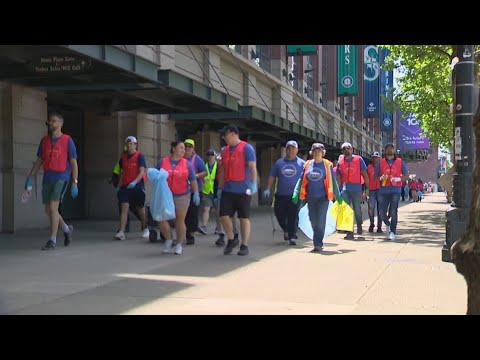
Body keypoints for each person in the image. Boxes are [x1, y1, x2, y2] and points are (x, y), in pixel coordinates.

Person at [24, 112, 78, 250]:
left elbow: (73, 163)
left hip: (62, 177)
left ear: (60, 123)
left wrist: (74, 182)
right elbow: (39, 161)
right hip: (48, 177)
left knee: (53, 208)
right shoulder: (44, 141)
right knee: (48, 210)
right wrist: (30, 177)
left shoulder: (67, 140)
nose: (51, 123)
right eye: (50, 121)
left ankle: (52, 240)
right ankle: (66, 229)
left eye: (54, 121)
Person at [292, 143, 341, 252]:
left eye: (319, 151)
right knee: (313, 220)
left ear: (323, 153)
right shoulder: (307, 165)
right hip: (310, 198)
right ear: (312, 153)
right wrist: (296, 192)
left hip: (323, 198)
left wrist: (338, 196)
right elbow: (301, 180)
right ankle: (317, 240)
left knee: (320, 220)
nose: (317, 153)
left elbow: (333, 181)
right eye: (314, 151)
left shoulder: (327, 165)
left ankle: (318, 243)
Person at [217, 125, 257, 256]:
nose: (224, 138)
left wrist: (253, 183)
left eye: (225, 135)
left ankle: (244, 245)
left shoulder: (247, 148)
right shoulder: (225, 151)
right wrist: (220, 187)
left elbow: (252, 167)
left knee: (243, 217)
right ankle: (231, 238)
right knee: (223, 215)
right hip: (228, 189)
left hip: (243, 189)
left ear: (233, 134)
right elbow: (222, 169)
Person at [156, 141, 200, 255]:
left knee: (179, 220)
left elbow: (193, 179)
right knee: (161, 218)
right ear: (173, 149)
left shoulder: (187, 164)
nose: (183, 150)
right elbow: (156, 176)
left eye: (184, 149)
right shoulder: (163, 162)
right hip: (165, 195)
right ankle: (169, 239)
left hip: (182, 195)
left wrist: (196, 193)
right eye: (181, 148)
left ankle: (179, 244)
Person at [263, 140, 305, 245]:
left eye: (293, 148)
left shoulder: (302, 164)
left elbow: (306, 178)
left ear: (297, 150)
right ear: (286, 150)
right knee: (279, 214)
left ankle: (292, 236)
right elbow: (272, 175)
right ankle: (286, 230)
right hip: (281, 194)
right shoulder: (279, 163)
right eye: (289, 148)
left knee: (293, 215)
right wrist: (268, 188)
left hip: (295, 195)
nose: (290, 150)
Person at [114, 136, 149, 241]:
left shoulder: (140, 156)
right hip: (125, 187)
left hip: (137, 186)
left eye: (131, 144)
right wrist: (118, 186)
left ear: (135, 145)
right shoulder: (123, 158)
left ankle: (145, 227)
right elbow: (120, 172)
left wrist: (135, 182)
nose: (129, 146)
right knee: (124, 207)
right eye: (127, 144)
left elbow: (142, 171)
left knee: (140, 209)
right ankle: (121, 231)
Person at [375, 143, 409, 241]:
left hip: (395, 190)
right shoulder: (380, 163)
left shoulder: (400, 162)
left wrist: (398, 179)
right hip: (383, 190)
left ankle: (392, 231)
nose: (390, 151)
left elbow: (406, 176)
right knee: (381, 212)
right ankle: (387, 223)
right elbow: (375, 177)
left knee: (394, 211)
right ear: (385, 151)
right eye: (388, 149)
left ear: (394, 151)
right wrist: (380, 178)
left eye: (391, 149)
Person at [336, 142, 369, 239]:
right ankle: (350, 231)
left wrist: (366, 189)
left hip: (356, 189)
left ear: (352, 150)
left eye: (348, 148)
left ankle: (359, 224)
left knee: (357, 210)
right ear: (342, 151)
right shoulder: (340, 162)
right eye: (344, 149)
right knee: (346, 210)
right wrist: (338, 191)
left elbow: (365, 174)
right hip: (345, 190)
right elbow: (338, 176)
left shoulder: (359, 159)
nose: (346, 150)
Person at [183, 139, 207, 245]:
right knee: (185, 214)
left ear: (193, 149)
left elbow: (205, 172)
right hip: (183, 191)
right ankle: (186, 233)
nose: (187, 149)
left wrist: (196, 176)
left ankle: (191, 235)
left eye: (189, 147)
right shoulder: (180, 159)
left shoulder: (197, 159)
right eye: (186, 146)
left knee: (193, 213)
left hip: (195, 191)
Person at [199, 148, 221, 235]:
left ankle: (218, 227)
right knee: (206, 209)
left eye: (212, 155)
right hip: (206, 191)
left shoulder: (218, 166)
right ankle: (204, 227)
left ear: (215, 156)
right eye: (208, 155)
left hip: (216, 191)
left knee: (218, 211)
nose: (210, 156)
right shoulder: (204, 166)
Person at [367, 152, 382, 233]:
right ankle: (371, 223)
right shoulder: (368, 167)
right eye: (373, 157)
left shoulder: (382, 167)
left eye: (376, 157)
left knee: (380, 210)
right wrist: (365, 190)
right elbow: (366, 178)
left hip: (380, 190)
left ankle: (379, 227)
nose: (375, 159)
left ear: (379, 158)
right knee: (371, 208)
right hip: (371, 190)